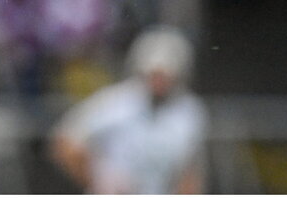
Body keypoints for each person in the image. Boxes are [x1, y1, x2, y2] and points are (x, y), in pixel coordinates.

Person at [51, 26, 209, 194]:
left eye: (166, 76)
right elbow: (65, 142)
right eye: (155, 74)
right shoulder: (116, 101)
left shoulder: (190, 112)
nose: (160, 82)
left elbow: (189, 173)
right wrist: (97, 179)